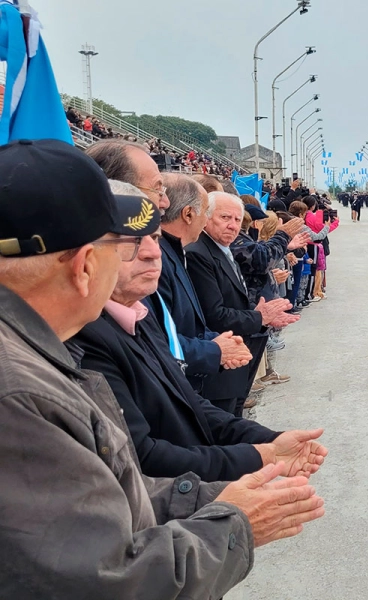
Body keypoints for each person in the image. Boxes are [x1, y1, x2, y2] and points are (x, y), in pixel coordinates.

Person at [0, 139, 323, 598]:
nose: (151, 255)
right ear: (85, 266)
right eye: (128, 246)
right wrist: (237, 522)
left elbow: (121, 485)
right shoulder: (22, 392)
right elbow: (102, 578)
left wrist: (250, 467)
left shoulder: (45, 349)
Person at [186, 193, 298, 416]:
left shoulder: (222, 249)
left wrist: (263, 318)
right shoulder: (199, 253)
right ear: (205, 217)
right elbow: (214, 315)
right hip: (219, 363)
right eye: (225, 217)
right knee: (224, 422)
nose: (232, 225)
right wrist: (259, 317)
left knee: (235, 414)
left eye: (237, 219)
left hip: (235, 357)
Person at [155, 174, 252, 393]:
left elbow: (187, 322)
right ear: (189, 214)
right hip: (178, 381)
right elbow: (159, 337)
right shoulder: (165, 256)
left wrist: (216, 341)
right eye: (207, 212)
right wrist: (215, 349)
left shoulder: (176, 252)